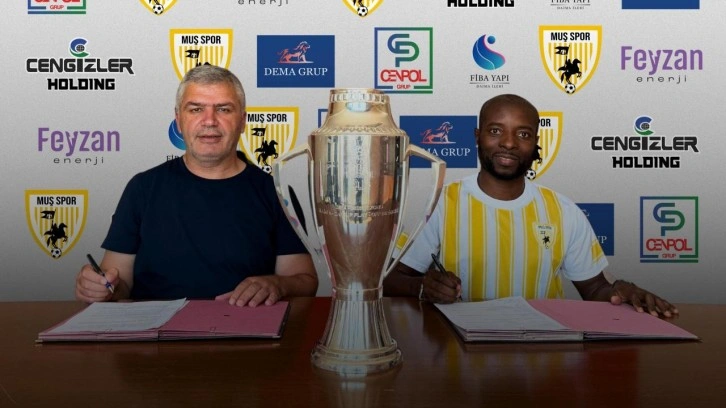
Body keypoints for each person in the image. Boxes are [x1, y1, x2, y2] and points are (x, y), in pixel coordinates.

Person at [383, 94, 678, 317]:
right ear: (477, 137)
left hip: (543, 359)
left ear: (536, 143)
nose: (509, 143)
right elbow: (390, 280)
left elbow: (595, 289)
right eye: (496, 131)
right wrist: (424, 287)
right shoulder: (441, 204)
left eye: (523, 134)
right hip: (460, 357)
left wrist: (621, 290)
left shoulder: (562, 211)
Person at [75, 65, 317, 307]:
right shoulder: (142, 188)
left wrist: (278, 284)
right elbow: (118, 285)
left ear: (243, 121)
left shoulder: (277, 193)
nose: (209, 121)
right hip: (154, 328)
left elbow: (305, 281)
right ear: (179, 121)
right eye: (196, 109)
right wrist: (101, 288)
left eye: (223, 109)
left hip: (243, 326)